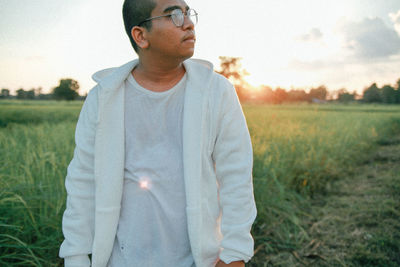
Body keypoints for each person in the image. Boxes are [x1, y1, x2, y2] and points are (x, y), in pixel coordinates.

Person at [59, 0, 256, 266]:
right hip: (122, 259)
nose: (188, 23)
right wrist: (75, 255)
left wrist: (234, 254)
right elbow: (82, 180)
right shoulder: (103, 98)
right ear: (141, 35)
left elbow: (236, 176)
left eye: (188, 13)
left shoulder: (216, 91)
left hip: (199, 259)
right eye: (174, 15)